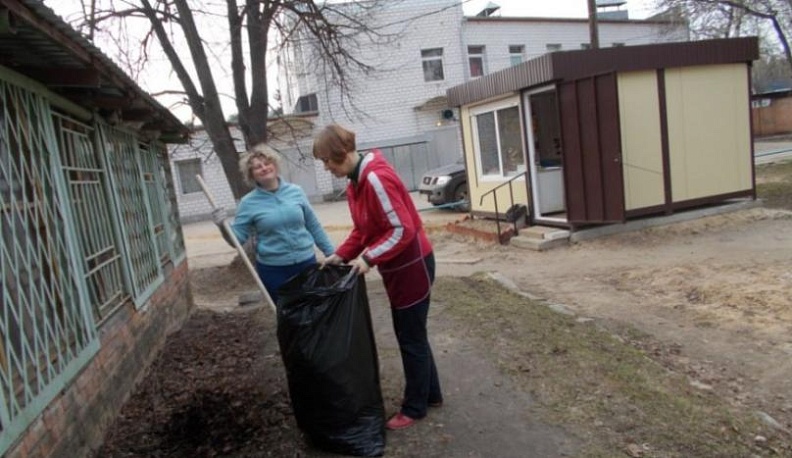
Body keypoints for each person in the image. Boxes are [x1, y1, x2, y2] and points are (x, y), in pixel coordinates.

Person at [313, 123, 442, 431]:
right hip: (397, 270)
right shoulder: (354, 184)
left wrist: (368, 259)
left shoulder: (375, 179)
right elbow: (363, 229)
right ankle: (432, 394)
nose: (326, 167)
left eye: (326, 160)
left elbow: (403, 228)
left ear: (340, 153)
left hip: (413, 266)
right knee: (414, 335)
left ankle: (415, 408)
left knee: (410, 338)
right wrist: (341, 255)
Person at [212, 144, 335, 305]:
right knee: (287, 317)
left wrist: (331, 253)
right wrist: (222, 226)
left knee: (313, 311)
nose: (264, 168)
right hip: (274, 271)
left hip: (306, 264)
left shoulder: (296, 192)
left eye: (267, 163)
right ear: (252, 175)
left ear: (275, 165)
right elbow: (237, 240)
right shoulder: (248, 203)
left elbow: (313, 225)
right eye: (257, 167)